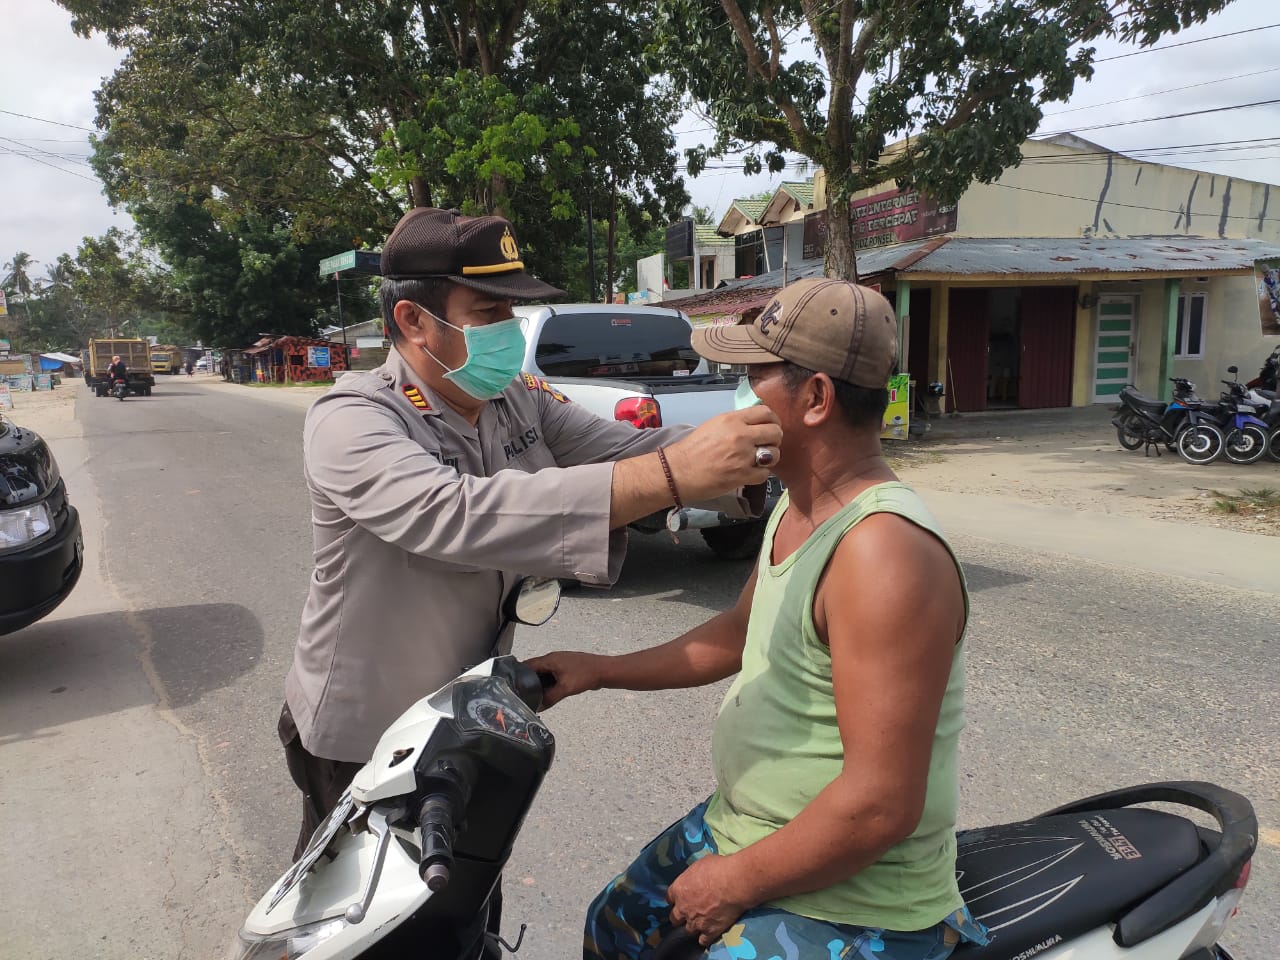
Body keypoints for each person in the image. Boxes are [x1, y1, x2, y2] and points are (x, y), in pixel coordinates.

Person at [279, 206, 782, 858]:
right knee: (361, 921)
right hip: (367, 729)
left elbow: (628, 451)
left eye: (510, 316)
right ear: (412, 321)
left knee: (462, 893)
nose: (507, 333)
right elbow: (456, 515)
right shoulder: (353, 419)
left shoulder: (517, 398)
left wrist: (757, 457)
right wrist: (673, 470)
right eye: (488, 315)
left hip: (466, 713)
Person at [528, 278, 989, 960]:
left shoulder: (882, 553)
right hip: (750, 827)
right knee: (614, 927)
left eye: (751, 377)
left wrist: (736, 881)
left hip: (855, 898)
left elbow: (880, 804)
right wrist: (597, 671)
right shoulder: (799, 504)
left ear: (816, 399)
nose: (736, 397)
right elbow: (737, 634)